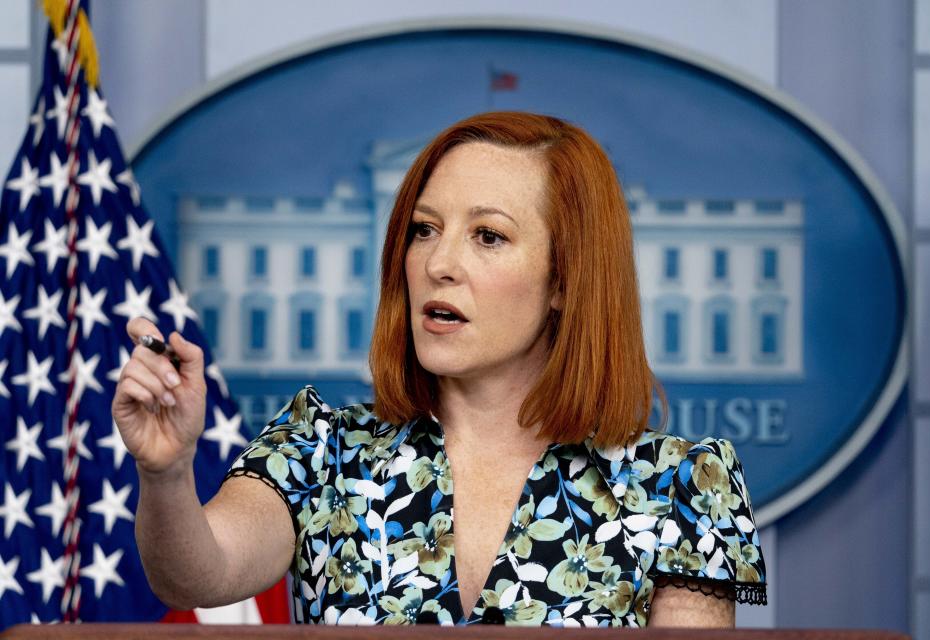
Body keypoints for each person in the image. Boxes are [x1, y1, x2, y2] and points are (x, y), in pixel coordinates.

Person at [112, 111, 766, 627]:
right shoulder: (322, 448)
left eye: (488, 236)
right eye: (424, 229)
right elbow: (196, 575)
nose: (437, 263)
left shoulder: (683, 483)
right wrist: (165, 473)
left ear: (566, 278)